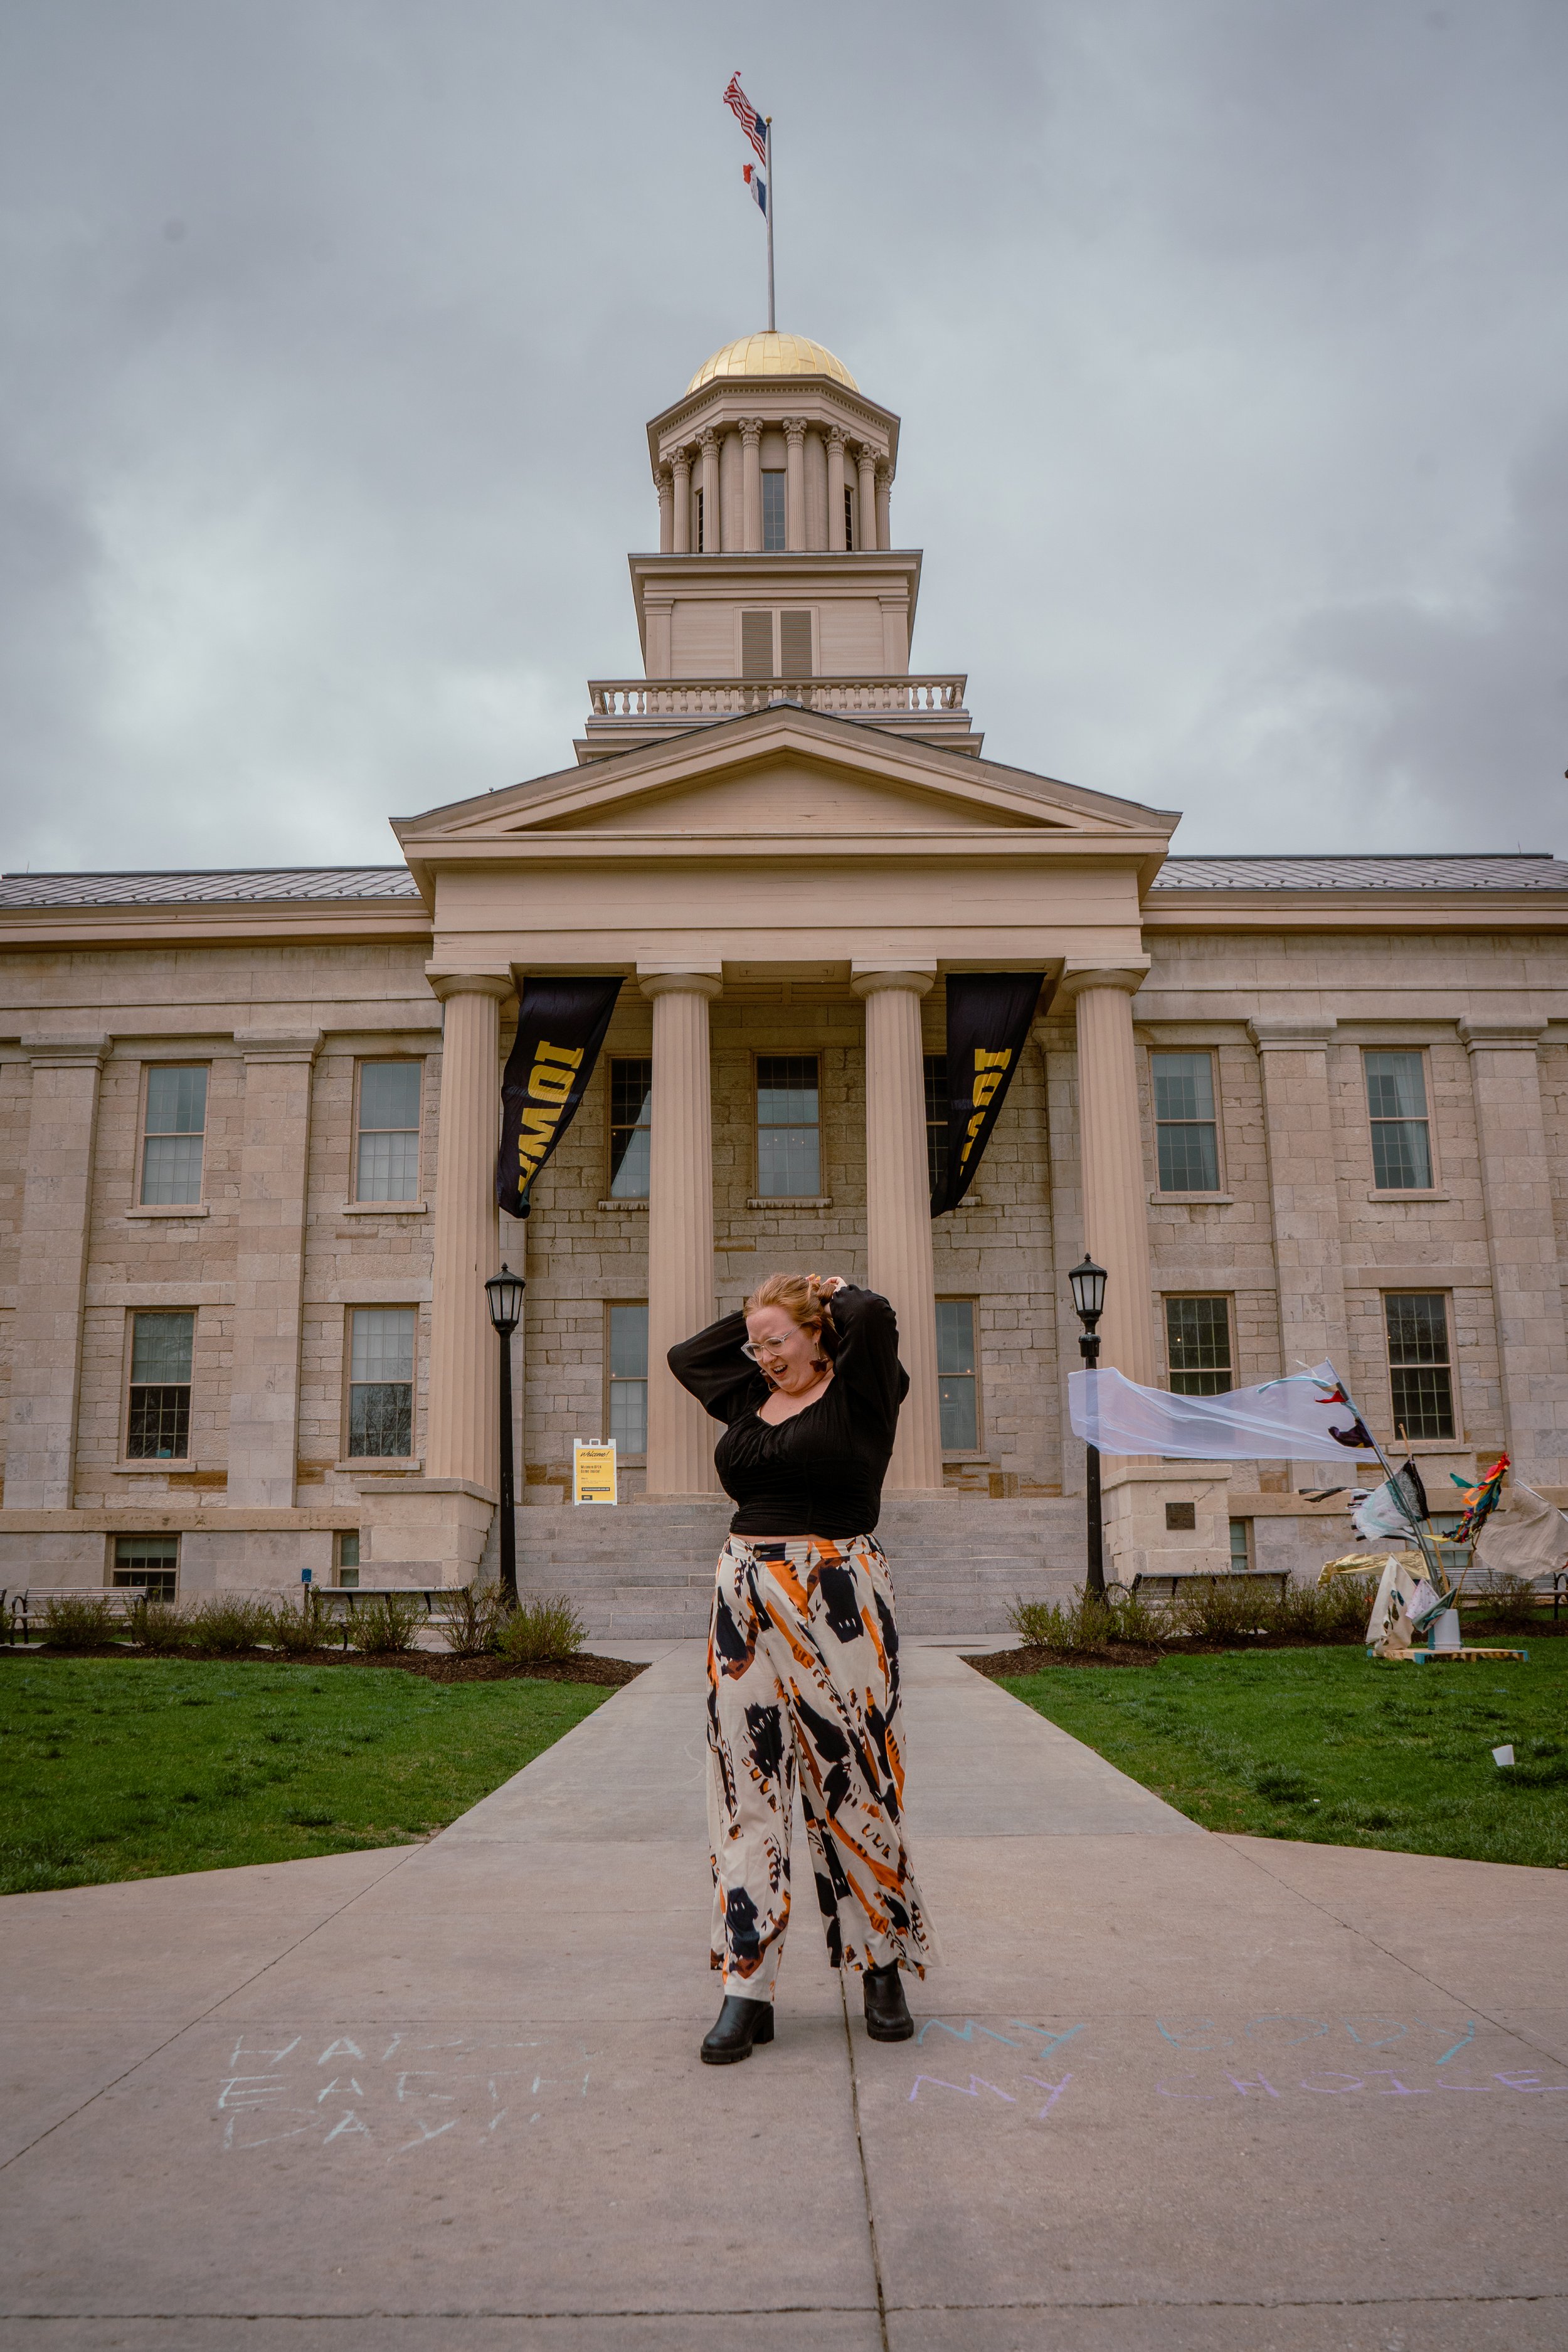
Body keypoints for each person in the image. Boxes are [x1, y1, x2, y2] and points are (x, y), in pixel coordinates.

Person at [669, 1271, 938, 2065]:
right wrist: (760, 1320)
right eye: (753, 1346)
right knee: (742, 1787)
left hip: (837, 1594)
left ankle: (879, 1967)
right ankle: (746, 1985)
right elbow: (691, 1357)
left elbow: (876, 1317)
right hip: (743, 1599)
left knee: (854, 1782)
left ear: (822, 1335)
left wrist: (833, 1293)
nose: (760, 1356)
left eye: (777, 1342)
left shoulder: (865, 1393)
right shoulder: (747, 1397)